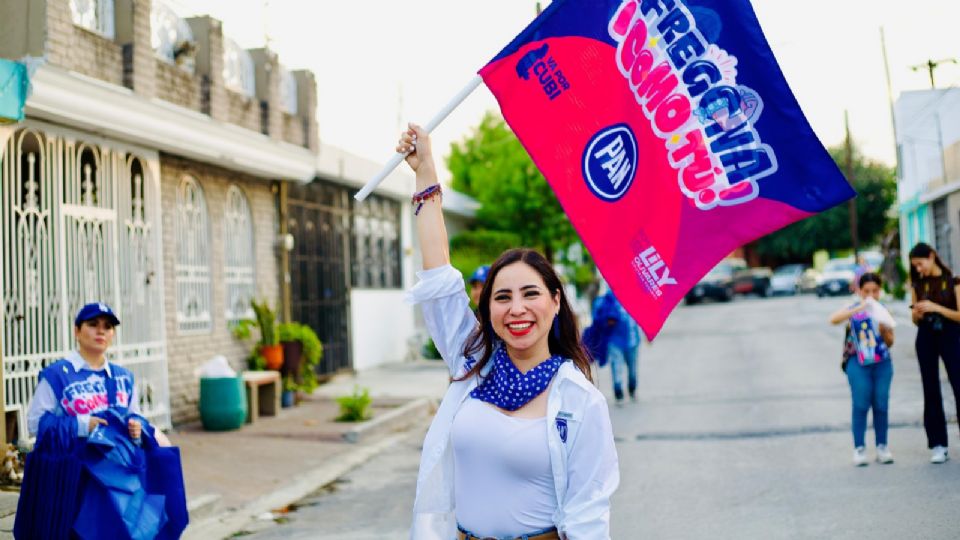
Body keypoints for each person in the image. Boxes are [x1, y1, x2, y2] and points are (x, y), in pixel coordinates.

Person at [398, 124, 619, 540]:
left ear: (556, 301)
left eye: (530, 294)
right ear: (488, 308)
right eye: (502, 297)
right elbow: (440, 278)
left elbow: (589, 512)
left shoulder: (578, 400)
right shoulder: (471, 366)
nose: (516, 309)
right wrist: (425, 172)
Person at [16, 302, 186, 539]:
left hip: (120, 479)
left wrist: (137, 426)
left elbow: (134, 414)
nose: (101, 331)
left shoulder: (123, 377)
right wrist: (84, 425)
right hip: (76, 480)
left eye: (107, 327)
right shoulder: (57, 375)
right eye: (93, 324)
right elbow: (36, 424)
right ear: (77, 331)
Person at [829, 273, 895, 466]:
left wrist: (885, 332)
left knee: (881, 403)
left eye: (875, 291)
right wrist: (860, 307)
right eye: (866, 291)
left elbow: (891, 342)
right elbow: (833, 319)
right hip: (857, 362)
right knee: (861, 403)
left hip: (881, 362)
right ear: (859, 291)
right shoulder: (853, 308)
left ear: (880, 291)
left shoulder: (883, 311)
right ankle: (859, 448)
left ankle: (882, 446)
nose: (871, 295)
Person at [908, 242, 960, 464]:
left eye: (920, 264)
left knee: (958, 384)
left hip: (951, 334)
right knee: (930, 388)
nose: (919, 269)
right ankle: (938, 444)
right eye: (915, 266)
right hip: (926, 336)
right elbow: (913, 319)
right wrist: (918, 313)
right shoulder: (917, 285)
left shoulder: (953, 281)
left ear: (932, 256)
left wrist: (936, 307)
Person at [592, 289, 641, 405]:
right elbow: (600, 317)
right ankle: (618, 392)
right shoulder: (610, 297)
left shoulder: (634, 296)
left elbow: (640, 316)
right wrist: (608, 319)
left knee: (632, 368)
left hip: (632, 340)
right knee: (616, 367)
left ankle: (632, 388)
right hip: (615, 340)